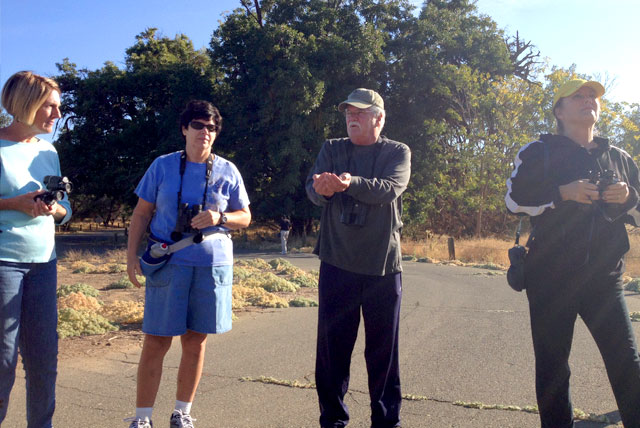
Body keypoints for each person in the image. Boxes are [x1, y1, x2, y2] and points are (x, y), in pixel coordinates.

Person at [505, 79, 640, 428]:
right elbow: (513, 201)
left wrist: (628, 199)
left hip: (604, 278)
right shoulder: (539, 150)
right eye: (577, 96)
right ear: (559, 110)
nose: (588, 101)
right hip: (550, 278)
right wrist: (561, 193)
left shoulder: (619, 157)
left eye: (592, 96)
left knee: (626, 362)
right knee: (553, 369)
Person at [125, 100, 251, 428]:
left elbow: (246, 216)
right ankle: (142, 418)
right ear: (184, 128)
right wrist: (130, 257)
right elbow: (141, 213)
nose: (205, 132)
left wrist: (219, 216)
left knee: (196, 340)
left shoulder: (228, 170)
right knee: (156, 339)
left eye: (212, 127)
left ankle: (182, 413)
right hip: (169, 264)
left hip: (212, 266)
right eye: (198, 125)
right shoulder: (162, 166)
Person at [306, 88, 411, 428]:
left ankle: (385, 421)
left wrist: (349, 183)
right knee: (332, 352)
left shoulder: (397, 152)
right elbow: (312, 187)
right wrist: (319, 188)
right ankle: (332, 420)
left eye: (361, 113)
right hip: (337, 264)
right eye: (349, 112)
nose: (352, 117)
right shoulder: (332, 148)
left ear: (378, 118)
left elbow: (389, 188)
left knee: (382, 354)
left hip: (382, 267)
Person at [0, 71, 72, 428]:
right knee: (3, 361)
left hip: (44, 263)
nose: (57, 115)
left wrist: (52, 207)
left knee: (44, 361)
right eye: (50, 106)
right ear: (26, 104)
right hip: (4, 264)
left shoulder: (49, 151)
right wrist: (16, 203)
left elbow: (66, 210)